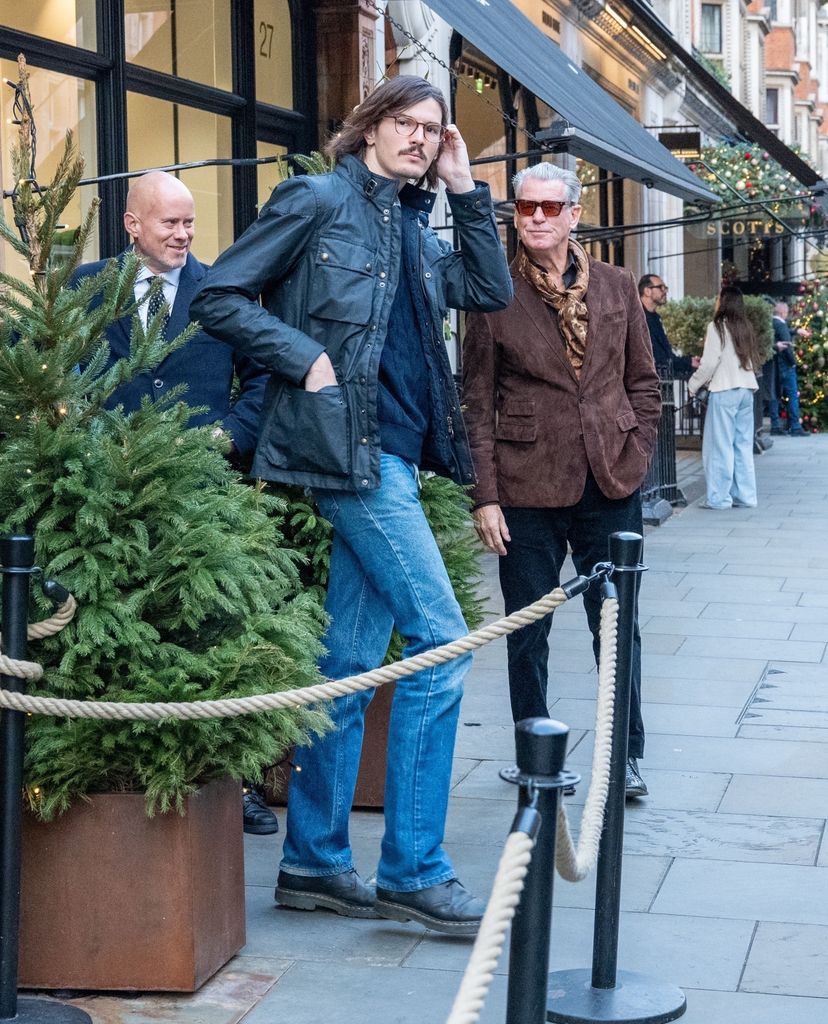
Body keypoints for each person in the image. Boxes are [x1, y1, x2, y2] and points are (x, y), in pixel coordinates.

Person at [190, 75, 512, 935]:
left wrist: (465, 186)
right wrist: (301, 357)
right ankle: (413, 868)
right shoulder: (319, 199)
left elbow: (488, 292)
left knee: (349, 663)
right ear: (369, 127)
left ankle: (314, 863)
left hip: (398, 454)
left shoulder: (411, 222)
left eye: (431, 129)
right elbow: (218, 294)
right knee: (442, 645)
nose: (417, 137)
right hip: (353, 456)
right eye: (404, 123)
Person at [73, 171, 276, 837]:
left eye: (190, 223)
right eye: (169, 223)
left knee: (217, 631)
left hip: (201, 491)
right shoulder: (87, 287)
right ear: (132, 224)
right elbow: (50, 359)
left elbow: (268, 373)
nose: (184, 234)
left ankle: (234, 783)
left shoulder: (221, 291)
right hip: (111, 498)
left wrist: (232, 437)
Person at [462, 163, 661, 800]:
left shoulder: (616, 285)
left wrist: (637, 449)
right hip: (526, 485)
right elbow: (476, 401)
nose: (538, 219)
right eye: (526, 209)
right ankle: (534, 755)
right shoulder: (495, 292)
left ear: (575, 214)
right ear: (515, 216)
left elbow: (644, 383)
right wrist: (485, 495)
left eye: (551, 208)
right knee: (527, 629)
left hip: (610, 480)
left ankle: (625, 756)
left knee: (617, 624)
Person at [688, 286, 762, 509]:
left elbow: (710, 362)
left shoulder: (717, 327)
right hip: (746, 389)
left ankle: (719, 498)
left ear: (723, 302)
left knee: (719, 445)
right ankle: (746, 496)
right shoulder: (745, 327)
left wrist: (693, 384)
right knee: (742, 445)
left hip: (724, 388)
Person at [638, 274, 697, 378]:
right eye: (661, 287)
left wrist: (688, 362)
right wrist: (687, 362)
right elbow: (657, 357)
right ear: (647, 291)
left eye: (665, 288)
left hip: (660, 384)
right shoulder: (637, 318)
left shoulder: (655, 318)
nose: (665, 291)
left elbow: (665, 356)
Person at [769, 301, 806, 436]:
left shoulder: (771, 323)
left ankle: (775, 426)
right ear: (783, 313)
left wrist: (796, 331)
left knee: (775, 395)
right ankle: (795, 426)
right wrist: (793, 363)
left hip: (775, 366)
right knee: (792, 394)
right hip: (786, 365)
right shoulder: (781, 324)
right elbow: (787, 345)